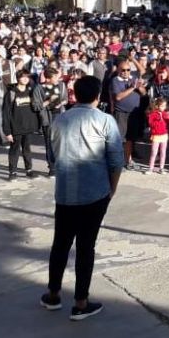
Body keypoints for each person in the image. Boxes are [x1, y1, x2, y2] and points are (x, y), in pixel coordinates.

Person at [42, 75, 124, 321]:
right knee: (86, 247)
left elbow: (52, 156)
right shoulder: (105, 121)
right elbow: (116, 160)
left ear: (74, 94)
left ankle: (54, 294)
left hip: (66, 192)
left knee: (61, 244)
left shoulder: (59, 120)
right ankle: (80, 301)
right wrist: (112, 189)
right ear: (98, 96)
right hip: (95, 192)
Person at [2, 69, 41, 180]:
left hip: (28, 126)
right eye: (22, 77)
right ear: (18, 78)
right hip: (16, 127)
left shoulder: (31, 91)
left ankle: (29, 170)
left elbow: (36, 107)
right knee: (14, 150)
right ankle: (12, 172)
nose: (25, 79)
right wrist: (7, 131)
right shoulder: (11, 93)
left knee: (27, 149)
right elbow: (6, 112)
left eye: (27, 77)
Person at [111, 61, 145, 170]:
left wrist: (139, 87)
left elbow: (144, 93)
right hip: (121, 113)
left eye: (128, 70)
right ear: (118, 70)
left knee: (130, 139)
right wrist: (132, 88)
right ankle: (117, 162)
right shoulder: (115, 81)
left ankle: (128, 161)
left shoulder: (133, 78)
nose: (126, 72)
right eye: (123, 70)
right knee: (119, 139)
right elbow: (118, 97)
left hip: (133, 114)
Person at [145, 96, 169, 174]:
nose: (164, 107)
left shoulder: (165, 113)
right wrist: (157, 121)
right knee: (154, 152)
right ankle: (150, 168)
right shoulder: (153, 114)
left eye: (165, 106)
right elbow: (150, 123)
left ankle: (161, 168)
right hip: (156, 135)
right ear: (157, 106)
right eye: (162, 106)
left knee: (163, 152)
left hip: (164, 135)